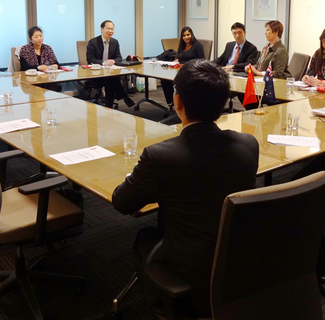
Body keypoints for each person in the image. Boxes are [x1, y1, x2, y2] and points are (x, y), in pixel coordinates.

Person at [112, 60, 259, 316]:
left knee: (144, 237)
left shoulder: (160, 156)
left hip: (191, 271)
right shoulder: (249, 144)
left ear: (177, 101)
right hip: (240, 259)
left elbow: (122, 202)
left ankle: (164, 309)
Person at [86, 20, 135, 108]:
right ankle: (124, 97)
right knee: (112, 80)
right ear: (102, 29)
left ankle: (110, 105)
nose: (110, 31)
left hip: (109, 72)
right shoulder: (93, 42)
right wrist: (103, 63)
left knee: (111, 79)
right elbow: (90, 59)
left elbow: (119, 57)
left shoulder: (115, 42)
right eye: (108, 29)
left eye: (112, 29)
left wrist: (113, 61)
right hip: (96, 73)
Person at [161, 26, 205, 106]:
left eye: (188, 35)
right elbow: (180, 58)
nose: (186, 37)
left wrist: (184, 64)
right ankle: (172, 102)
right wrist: (177, 61)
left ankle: (183, 103)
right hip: (181, 70)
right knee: (164, 80)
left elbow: (202, 61)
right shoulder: (182, 45)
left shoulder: (197, 45)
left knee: (178, 81)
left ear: (192, 35)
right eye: (184, 35)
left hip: (193, 71)